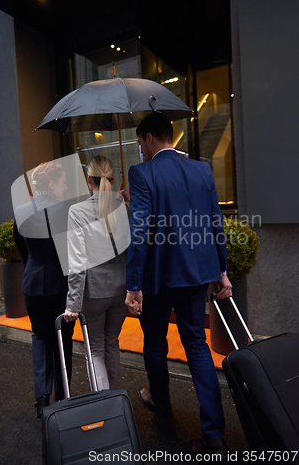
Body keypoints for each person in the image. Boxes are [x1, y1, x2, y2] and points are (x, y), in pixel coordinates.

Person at [125, 112, 232, 458]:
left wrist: (133, 285)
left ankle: (161, 399)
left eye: (141, 142)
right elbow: (215, 222)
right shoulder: (201, 169)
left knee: (155, 341)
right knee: (197, 347)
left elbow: (140, 231)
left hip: (158, 278)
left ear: (150, 139)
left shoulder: (142, 172)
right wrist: (223, 272)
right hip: (197, 273)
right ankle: (214, 434)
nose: (140, 149)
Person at [13, 162, 75, 418]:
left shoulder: (21, 211)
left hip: (33, 284)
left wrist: (34, 270)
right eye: (62, 182)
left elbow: (22, 250)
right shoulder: (67, 210)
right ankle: (63, 397)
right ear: (51, 185)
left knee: (40, 337)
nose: (66, 186)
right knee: (64, 340)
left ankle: (42, 399)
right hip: (60, 285)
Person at [64, 155, 130, 390]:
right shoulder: (122, 206)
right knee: (112, 343)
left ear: (88, 179)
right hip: (122, 288)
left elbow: (77, 262)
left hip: (95, 292)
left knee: (96, 348)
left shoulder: (77, 212)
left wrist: (72, 304)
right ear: (112, 179)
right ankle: (116, 400)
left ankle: (107, 403)